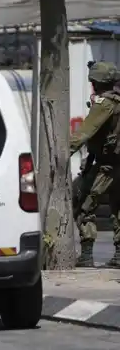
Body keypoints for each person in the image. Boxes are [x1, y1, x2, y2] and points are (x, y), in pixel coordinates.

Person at [71, 61, 120, 269]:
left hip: (105, 166)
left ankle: (86, 256)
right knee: (117, 209)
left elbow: (83, 134)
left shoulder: (104, 104)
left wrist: (63, 153)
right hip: (115, 165)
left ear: (95, 83)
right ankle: (118, 256)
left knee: (83, 205)